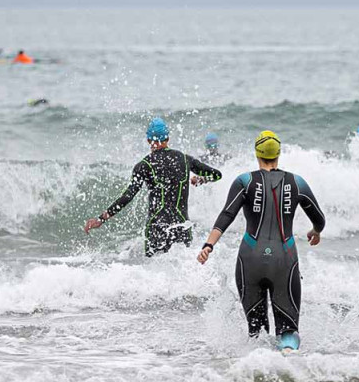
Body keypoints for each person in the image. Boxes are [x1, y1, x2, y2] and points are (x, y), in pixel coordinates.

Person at [197, 130, 326, 352]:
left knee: (256, 332)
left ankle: (255, 371)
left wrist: (209, 245)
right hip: (285, 260)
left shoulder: (244, 181)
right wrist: (315, 231)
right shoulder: (297, 183)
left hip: (250, 260)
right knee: (288, 331)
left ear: (257, 153)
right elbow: (319, 219)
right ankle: (289, 362)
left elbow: (226, 215)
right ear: (279, 153)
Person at [84, 118, 222, 256]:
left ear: (149, 140)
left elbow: (128, 196)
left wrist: (101, 219)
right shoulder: (185, 159)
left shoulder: (143, 165)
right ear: (167, 138)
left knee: (154, 272)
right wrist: (201, 179)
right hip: (181, 226)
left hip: (156, 228)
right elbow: (216, 175)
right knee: (183, 269)